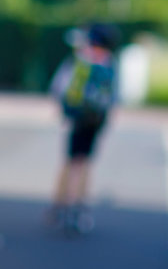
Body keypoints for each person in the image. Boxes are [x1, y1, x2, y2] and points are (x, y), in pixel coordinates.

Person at [47, 23, 120, 234]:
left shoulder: (80, 59)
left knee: (71, 161)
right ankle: (79, 205)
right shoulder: (109, 62)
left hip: (77, 117)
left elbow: (58, 86)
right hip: (97, 119)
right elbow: (114, 95)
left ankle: (63, 205)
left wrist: (64, 108)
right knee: (85, 161)